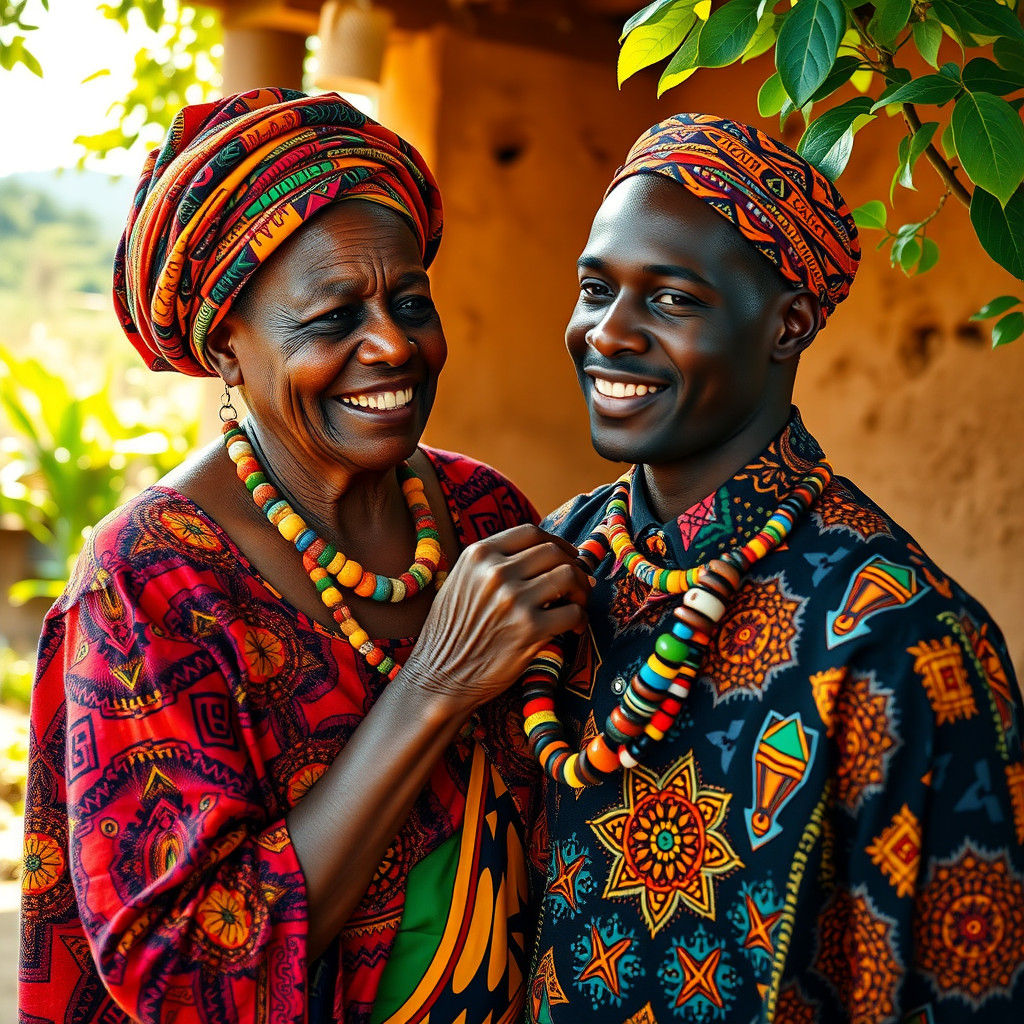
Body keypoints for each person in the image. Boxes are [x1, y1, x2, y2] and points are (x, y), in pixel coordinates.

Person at [19, 88, 590, 1024]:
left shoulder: (485, 511)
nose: (395, 344)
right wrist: (434, 686)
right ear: (228, 348)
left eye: (411, 301)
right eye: (332, 319)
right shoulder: (148, 582)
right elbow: (188, 975)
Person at [522, 114, 1024, 1022]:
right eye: (596, 288)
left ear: (788, 324)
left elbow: (970, 986)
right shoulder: (547, 571)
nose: (610, 333)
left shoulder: (904, 641)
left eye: (671, 299)